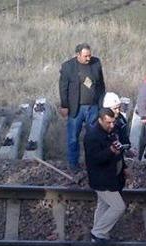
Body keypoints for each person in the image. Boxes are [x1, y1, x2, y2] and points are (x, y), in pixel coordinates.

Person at [59, 43, 106, 172]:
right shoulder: (68, 67)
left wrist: (102, 105)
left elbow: (101, 85)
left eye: (89, 55)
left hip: (93, 107)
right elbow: (63, 88)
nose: (88, 58)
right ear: (77, 55)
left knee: (94, 137)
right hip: (76, 109)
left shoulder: (96, 63)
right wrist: (64, 105)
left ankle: (93, 163)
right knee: (73, 138)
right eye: (85, 56)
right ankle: (73, 164)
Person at [84, 108, 127, 242]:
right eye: (108, 123)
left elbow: (117, 148)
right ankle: (98, 233)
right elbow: (94, 159)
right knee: (119, 207)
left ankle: (97, 233)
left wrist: (124, 166)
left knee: (103, 205)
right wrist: (110, 151)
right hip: (102, 179)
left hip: (111, 176)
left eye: (113, 122)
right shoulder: (92, 136)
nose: (112, 125)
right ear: (100, 120)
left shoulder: (110, 131)